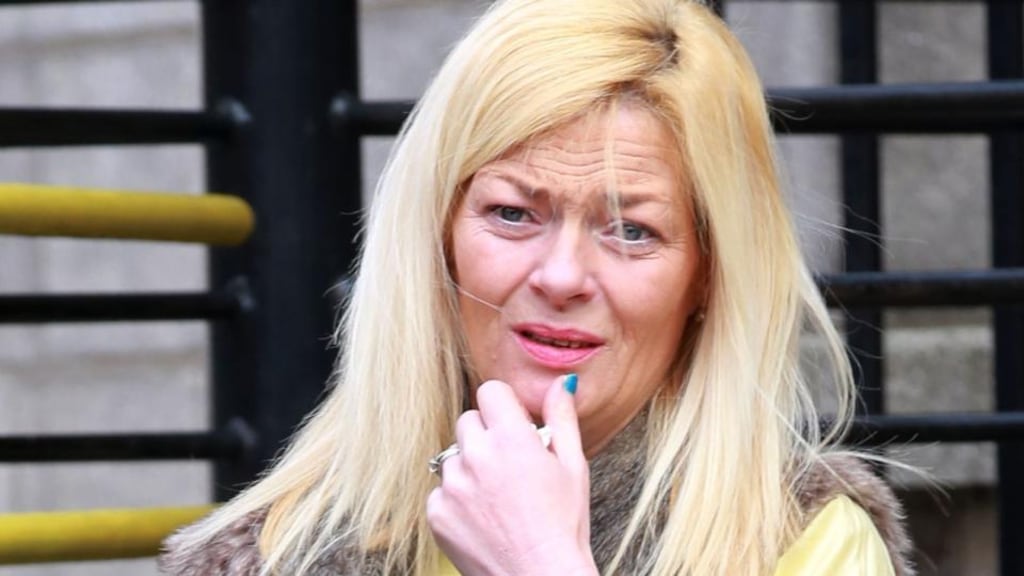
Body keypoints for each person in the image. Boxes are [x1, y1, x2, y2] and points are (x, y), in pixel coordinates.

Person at [160, 0, 915, 574]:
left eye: (632, 231)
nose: (560, 277)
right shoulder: (276, 553)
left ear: (707, 277)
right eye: (514, 213)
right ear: (439, 242)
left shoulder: (808, 540)